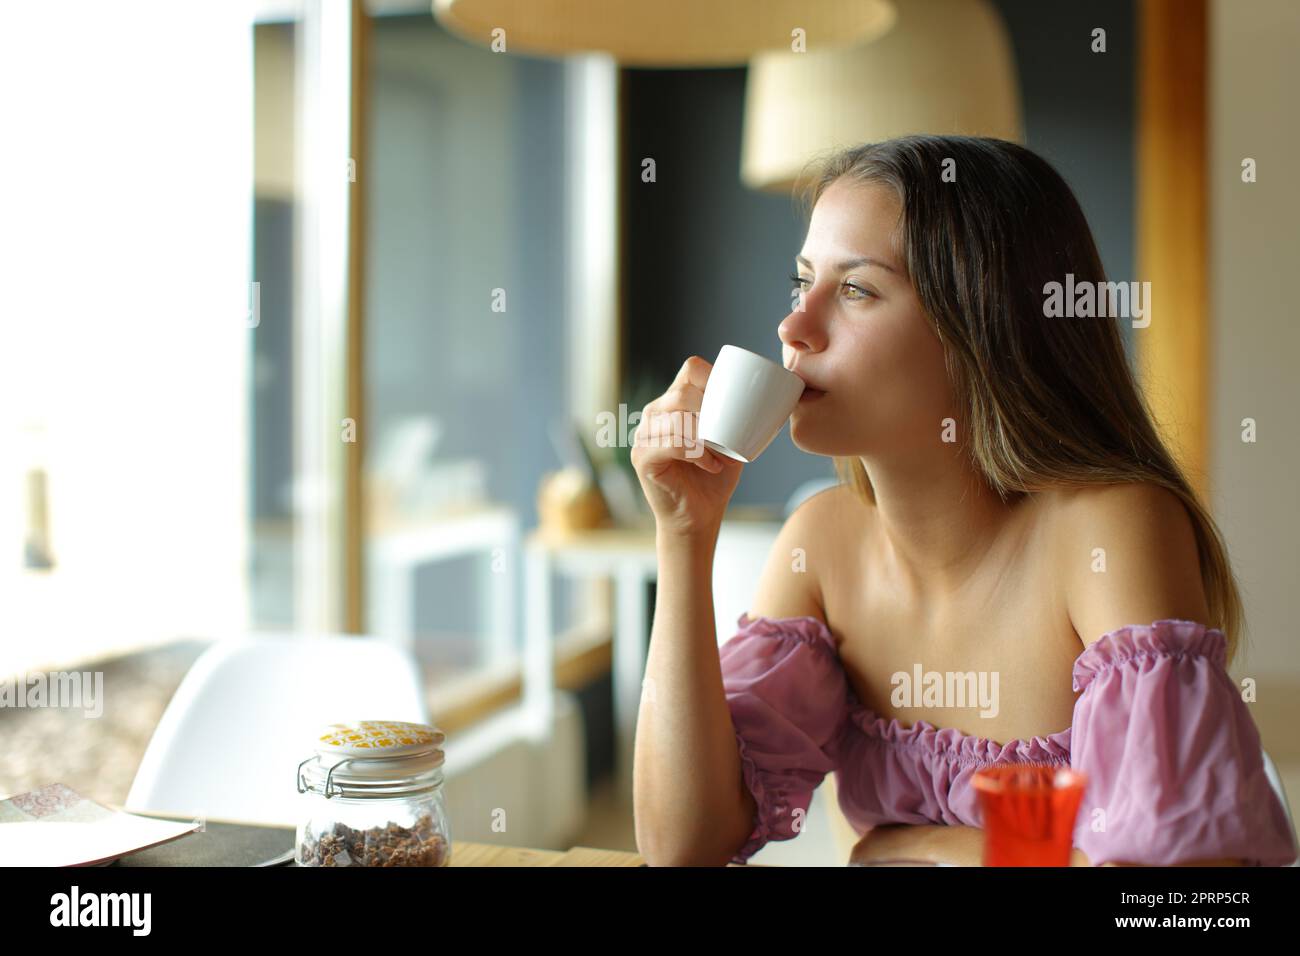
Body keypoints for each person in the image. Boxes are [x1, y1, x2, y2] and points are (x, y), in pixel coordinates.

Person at [629, 134, 1297, 867]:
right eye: (802, 284)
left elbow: (1187, 901)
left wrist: (928, 845)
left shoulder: (1107, 529)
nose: (794, 328)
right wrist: (685, 536)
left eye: (855, 290)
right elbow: (681, 845)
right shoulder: (820, 542)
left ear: (981, 328)